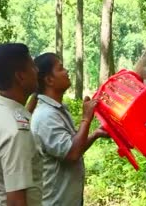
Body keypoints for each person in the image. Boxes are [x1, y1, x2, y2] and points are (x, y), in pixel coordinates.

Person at [31, 52, 107, 206]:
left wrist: (95, 134)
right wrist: (86, 118)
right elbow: (72, 153)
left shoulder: (58, 110)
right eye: (61, 68)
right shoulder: (45, 117)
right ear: (49, 80)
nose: (66, 71)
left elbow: (72, 147)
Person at [0, 43, 42, 206]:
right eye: (32, 66)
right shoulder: (16, 129)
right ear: (20, 76)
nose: (37, 71)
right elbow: (16, 200)